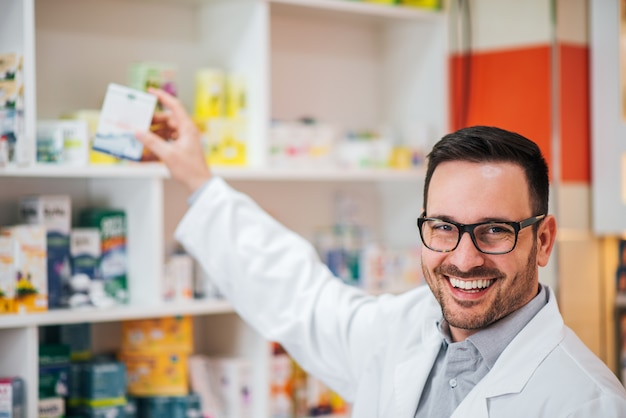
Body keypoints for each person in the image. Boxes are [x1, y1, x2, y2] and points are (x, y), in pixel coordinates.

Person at [136, 89, 626, 417]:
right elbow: (300, 298)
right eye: (443, 227)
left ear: (542, 240)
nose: (463, 257)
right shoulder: (402, 330)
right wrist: (198, 181)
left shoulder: (588, 403)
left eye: (494, 231)